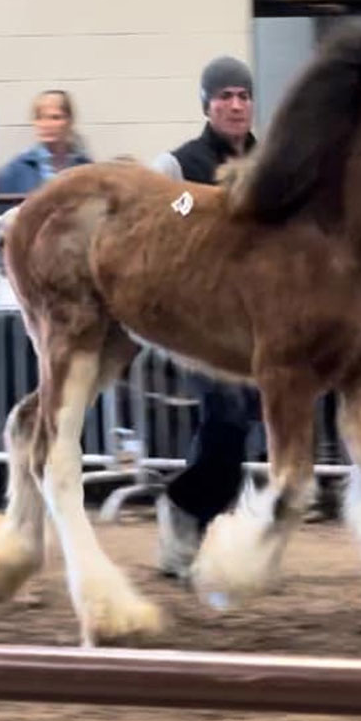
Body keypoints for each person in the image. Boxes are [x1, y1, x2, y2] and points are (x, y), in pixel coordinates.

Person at [148, 56, 263, 579]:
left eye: (243, 96)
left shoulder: (274, 162)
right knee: (227, 412)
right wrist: (201, 205)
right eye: (225, 97)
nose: (235, 105)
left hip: (260, 316)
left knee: (249, 421)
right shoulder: (179, 165)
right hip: (196, 316)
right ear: (207, 104)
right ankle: (186, 508)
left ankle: (213, 520)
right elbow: (161, 220)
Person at [0, 89, 93, 195]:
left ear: (70, 121)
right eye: (39, 118)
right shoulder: (16, 170)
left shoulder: (86, 168)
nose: (46, 124)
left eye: (55, 117)